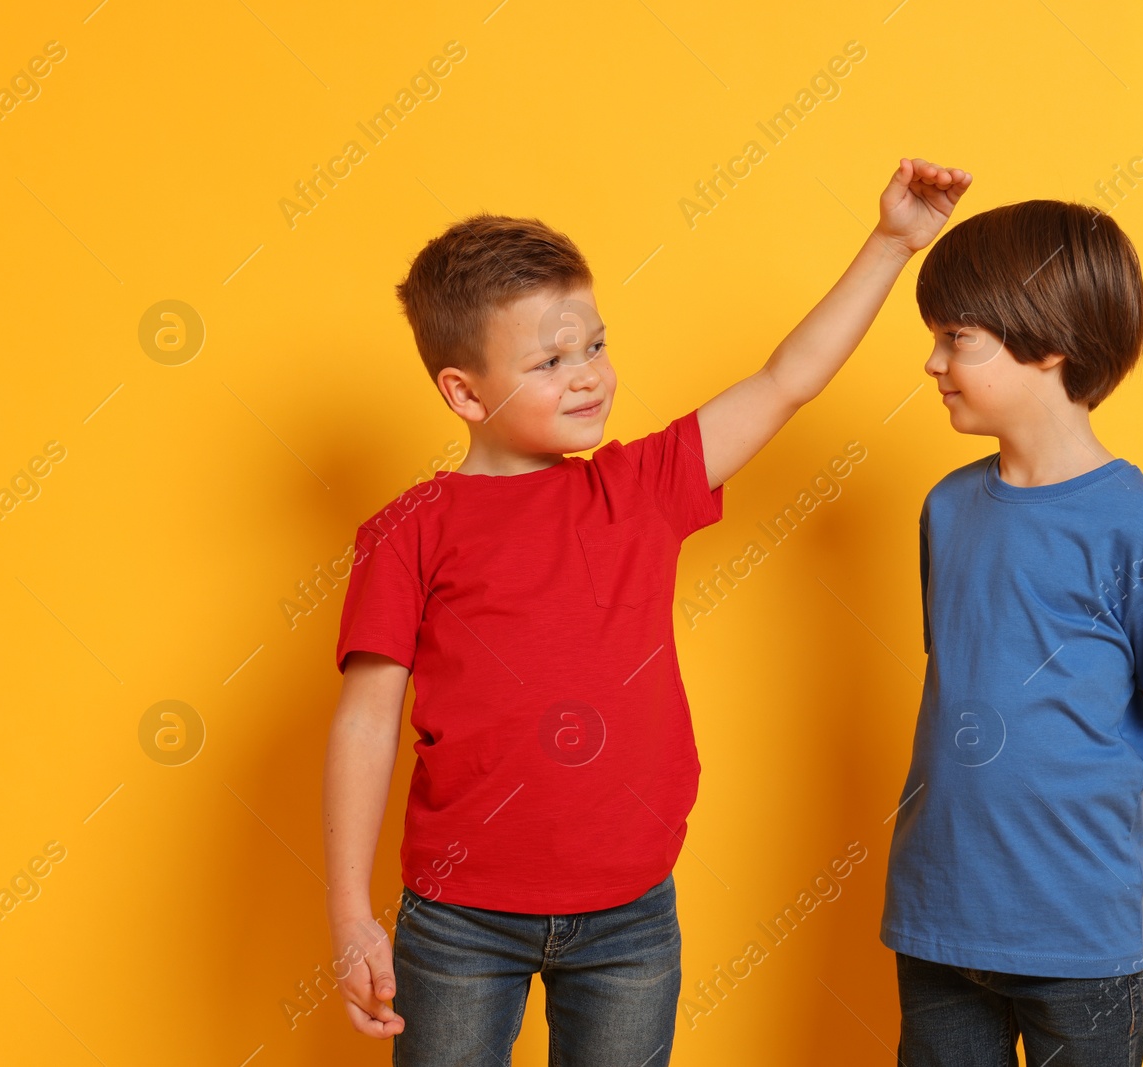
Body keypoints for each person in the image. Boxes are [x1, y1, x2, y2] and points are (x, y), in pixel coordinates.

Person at [322, 157, 971, 1065]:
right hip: (461, 914)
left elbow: (786, 381)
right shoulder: (407, 532)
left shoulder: (641, 487)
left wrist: (893, 242)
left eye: (593, 345)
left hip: (629, 913)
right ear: (463, 392)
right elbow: (364, 723)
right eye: (549, 361)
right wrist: (353, 913)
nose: (587, 375)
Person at [880, 199, 1143, 1066]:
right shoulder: (947, 509)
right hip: (937, 916)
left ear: (1049, 341)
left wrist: (1082, 860)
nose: (933, 361)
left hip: (1075, 940)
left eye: (959, 337)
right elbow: (969, 695)